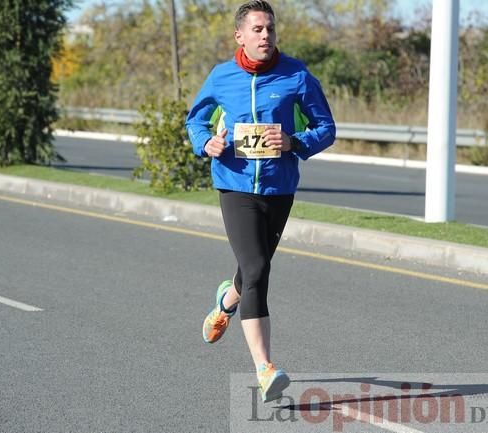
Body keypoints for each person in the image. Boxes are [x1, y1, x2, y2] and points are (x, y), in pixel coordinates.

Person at [185, 0, 336, 403]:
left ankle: (225, 301)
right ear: (240, 36)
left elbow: (326, 127)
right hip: (234, 184)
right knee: (257, 268)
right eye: (257, 29)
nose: (265, 35)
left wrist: (294, 142)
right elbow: (195, 121)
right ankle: (265, 368)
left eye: (270, 28)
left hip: (279, 186)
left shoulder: (297, 75)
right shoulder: (221, 77)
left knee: (255, 268)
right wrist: (207, 143)